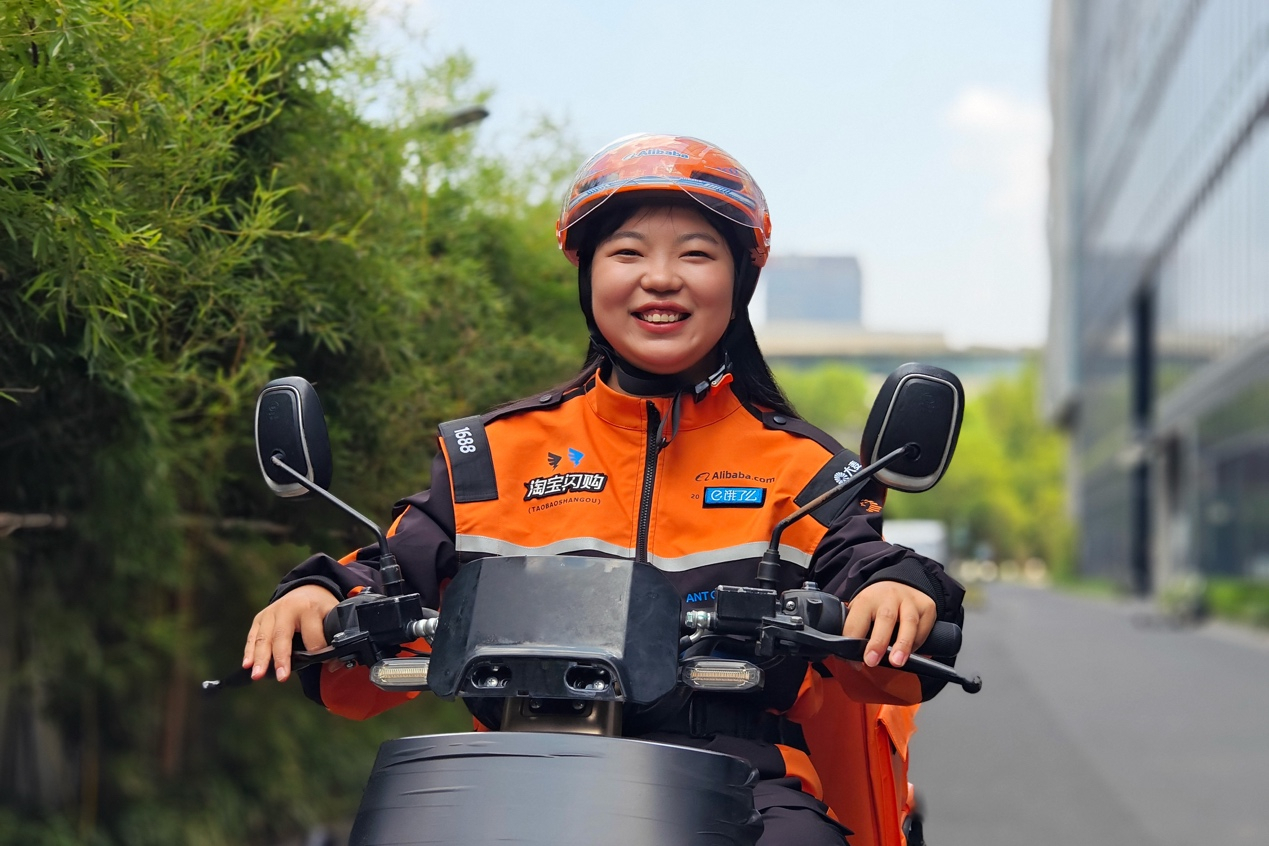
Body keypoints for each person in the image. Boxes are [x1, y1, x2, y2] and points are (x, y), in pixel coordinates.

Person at [243, 133, 965, 845]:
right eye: (627, 252)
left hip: (738, 785)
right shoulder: (491, 454)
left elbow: (859, 559)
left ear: (739, 283)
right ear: (587, 273)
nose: (661, 277)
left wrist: (897, 589)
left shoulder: (801, 468)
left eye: (696, 254)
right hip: (502, 783)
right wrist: (319, 593)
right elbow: (393, 566)